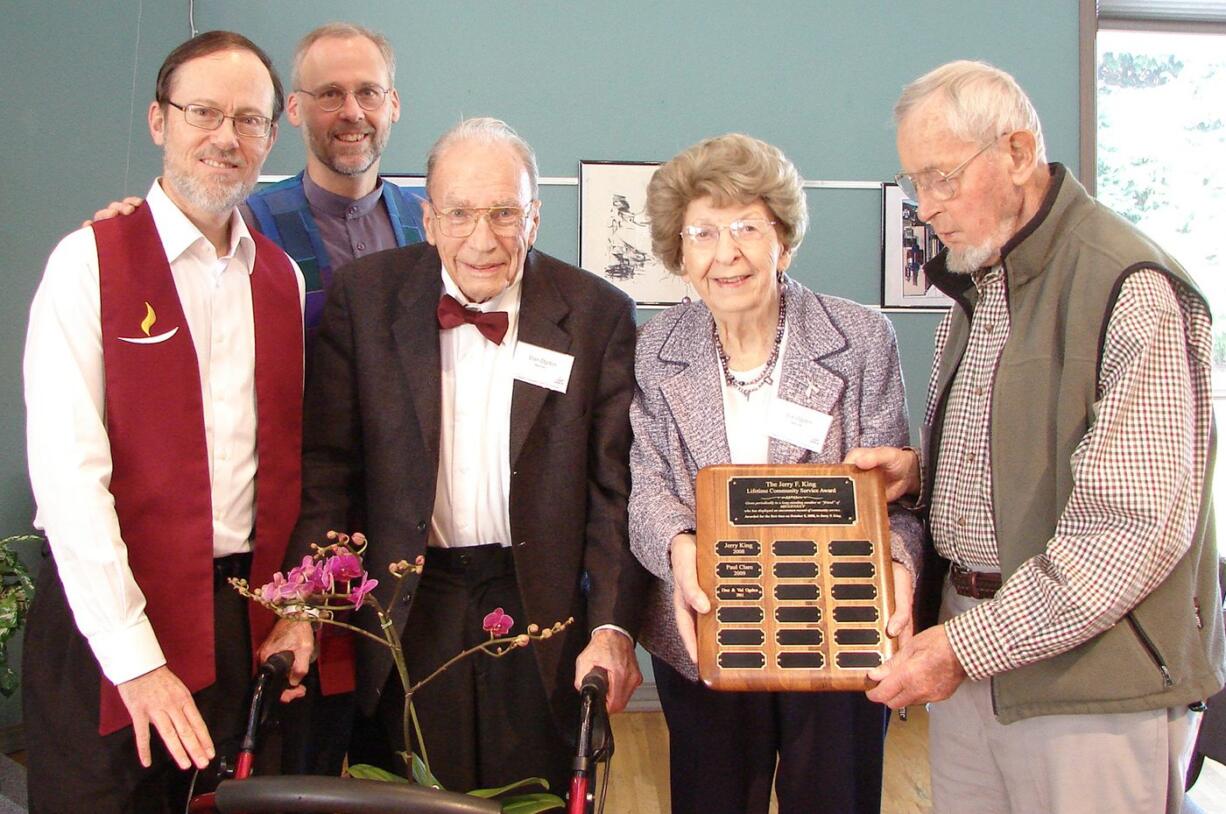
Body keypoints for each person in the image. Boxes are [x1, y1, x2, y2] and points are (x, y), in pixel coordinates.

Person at [847, 60, 1223, 814]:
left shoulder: (1131, 285)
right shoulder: (984, 280)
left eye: (943, 179)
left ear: (1018, 154)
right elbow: (1035, 443)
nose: (927, 207)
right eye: (915, 183)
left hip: (1090, 685)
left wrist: (961, 648)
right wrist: (926, 475)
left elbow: (1126, 536)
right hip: (973, 651)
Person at [257, 117, 649, 795]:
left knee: (537, 796)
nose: (483, 238)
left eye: (504, 213)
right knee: (408, 795)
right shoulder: (366, 297)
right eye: (461, 214)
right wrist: (307, 605)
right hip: (408, 600)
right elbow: (329, 469)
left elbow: (615, 489)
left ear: (534, 216)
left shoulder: (596, 312)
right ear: (429, 219)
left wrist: (614, 625)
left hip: (540, 602)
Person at [22, 31, 303, 813]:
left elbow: (287, 468)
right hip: (108, 620)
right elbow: (70, 482)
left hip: (238, 623)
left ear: (272, 137)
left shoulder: (278, 278)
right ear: (158, 121)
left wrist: (291, 612)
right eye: (203, 112)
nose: (226, 137)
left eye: (249, 120)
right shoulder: (88, 264)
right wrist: (134, 660)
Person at [628, 133, 923, 814]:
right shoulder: (654, 348)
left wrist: (899, 569)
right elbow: (648, 484)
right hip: (708, 626)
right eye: (702, 232)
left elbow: (894, 497)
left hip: (836, 629)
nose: (725, 253)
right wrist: (679, 548)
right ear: (680, 252)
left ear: (783, 241)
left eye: (746, 229)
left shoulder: (860, 339)